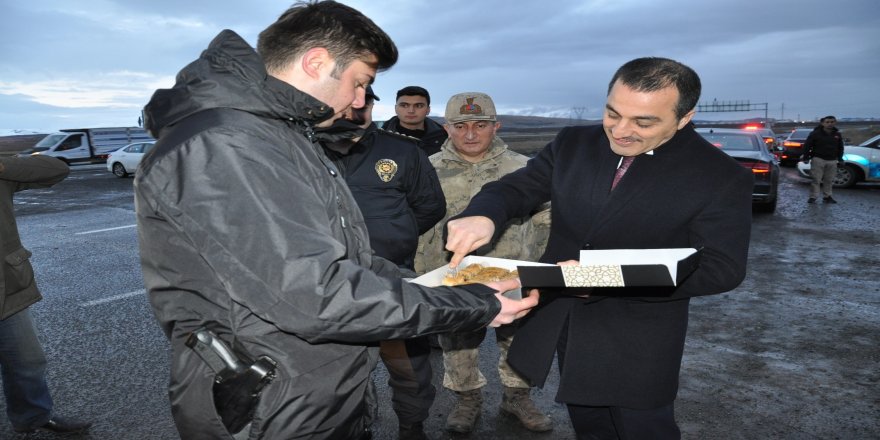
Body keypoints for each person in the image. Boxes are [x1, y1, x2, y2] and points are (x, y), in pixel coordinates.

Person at [135, 2, 537, 439]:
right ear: (316, 62)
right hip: (269, 401)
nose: (359, 101)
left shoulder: (279, 137)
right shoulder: (228, 145)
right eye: (359, 83)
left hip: (309, 388)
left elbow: (347, 261)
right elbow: (315, 294)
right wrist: (473, 305)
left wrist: (444, 287)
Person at [444, 57, 754, 439]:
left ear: (684, 118)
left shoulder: (719, 176)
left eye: (644, 122)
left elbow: (722, 268)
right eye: (612, 113)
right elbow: (517, 188)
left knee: (644, 429)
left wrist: (602, 277)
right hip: (568, 325)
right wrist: (484, 215)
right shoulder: (575, 143)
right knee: (589, 426)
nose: (620, 131)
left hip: (639, 338)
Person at [414, 92, 553, 434]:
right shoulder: (426, 170)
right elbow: (418, 227)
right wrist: (421, 273)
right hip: (454, 275)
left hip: (513, 272)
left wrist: (541, 271)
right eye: (461, 126)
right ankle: (467, 399)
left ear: (497, 126)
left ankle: (517, 397)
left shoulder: (523, 169)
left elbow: (546, 223)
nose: (471, 134)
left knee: (518, 338)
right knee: (457, 341)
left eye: (481, 125)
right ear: (447, 129)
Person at [322, 86, 445, 440]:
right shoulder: (305, 150)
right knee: (338, 371)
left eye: (363, 102)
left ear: (373, 105)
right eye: (345, 102)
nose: (353, 108)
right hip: (331, 284)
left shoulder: (402, 151)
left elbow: (430, 205)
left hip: (393, 279)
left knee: (410, 368)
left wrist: (397, 234)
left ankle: (412, 427)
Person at [0, 155, 92, 435]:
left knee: (27, 361)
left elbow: (56, 170)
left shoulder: (3, 173)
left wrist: (3, 165)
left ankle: (33, 417)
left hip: (7, 290)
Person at [382, 86, 448, 156]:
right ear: (396, 108)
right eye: (404, 105)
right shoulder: (379, 138)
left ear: (428, 110)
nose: (411, 111)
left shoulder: (446, 139)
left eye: (418, 106)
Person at [802, 115, 844, 204]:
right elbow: (807, 146)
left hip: (832, 160)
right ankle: (813, 197)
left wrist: (840, 158)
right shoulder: (815, 133)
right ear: (823, 123)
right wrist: (806, 157)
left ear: (835, 123)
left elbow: (840, 147)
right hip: (818, 159)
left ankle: (827, 196)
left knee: (829, 180)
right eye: (827, 122)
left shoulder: (837, 134)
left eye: (832, 122)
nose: (830, 124)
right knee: (816, 179)